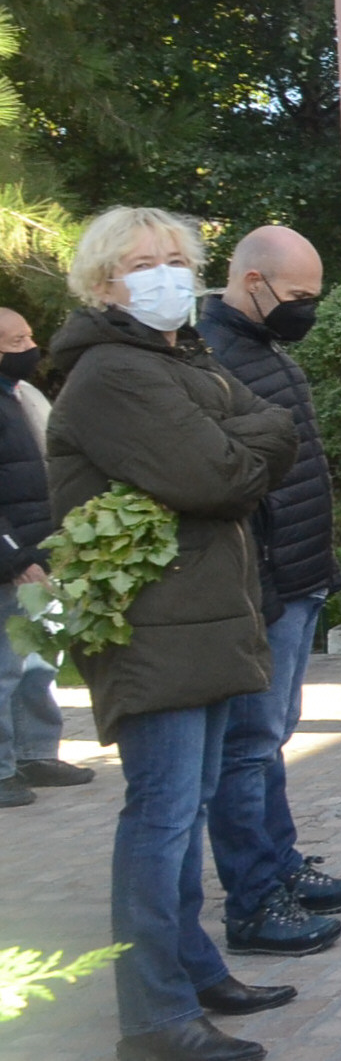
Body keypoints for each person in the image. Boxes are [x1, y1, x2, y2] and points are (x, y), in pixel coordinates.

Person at [47, 207, 299, 1061]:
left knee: (184, 809)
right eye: (141, 262)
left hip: (205, 616)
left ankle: (192, 969)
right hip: (156, 625)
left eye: (174, 259)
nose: (163, 274)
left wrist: (241, 441)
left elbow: (273, 429)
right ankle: (153, 1017)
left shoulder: (176, 356)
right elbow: (218, 470)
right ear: (102, 282)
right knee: (158, 817)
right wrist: (239, 444)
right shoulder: (113, 371)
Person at [197, 227, 341, 958]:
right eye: (299, 296)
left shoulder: (259, 347)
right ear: (255, 281)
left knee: (270, 739)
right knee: (247, 744)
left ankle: (280, 864)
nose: (307, 310)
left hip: (297, 573)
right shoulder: (212, 357)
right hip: (262, 585)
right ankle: (256, 896)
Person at [0, 305, 90, 808]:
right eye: (17, 342)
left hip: (37, 553)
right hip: (11, 561)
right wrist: (13, 559)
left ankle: (35, 753)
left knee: (38, 661)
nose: (31, 349)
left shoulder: (19, 395)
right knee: (3, 668)